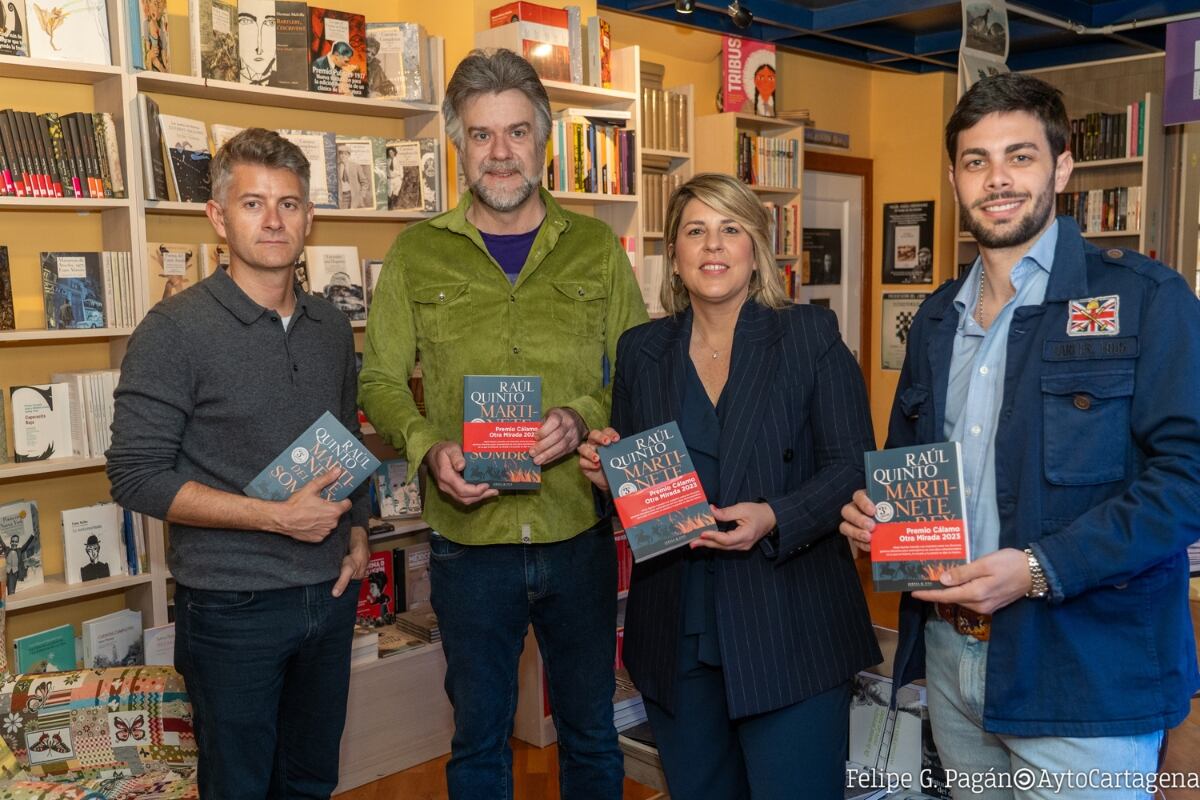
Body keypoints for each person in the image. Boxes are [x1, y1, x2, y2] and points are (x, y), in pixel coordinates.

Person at [839, 72, 1200, 799]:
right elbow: (912, 473)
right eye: (976, 160)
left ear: (1062, 167)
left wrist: (1038, 568)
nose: (996, 179)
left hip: (1084, 675)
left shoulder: (1145, 300)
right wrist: (879, 526)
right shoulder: (936, 319)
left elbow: (1187, 479)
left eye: (1020, 156)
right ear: (953, 177)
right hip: (950, 662)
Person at [358, 48, 648, 800]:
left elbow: (639, 375)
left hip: (577, 537)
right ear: (458, 145)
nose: (500, 152)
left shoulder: (596, 250)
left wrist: (580, 415)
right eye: (482, 135)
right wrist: (426, 449)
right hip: (469, 545)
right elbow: (381, 380)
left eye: (517, 132)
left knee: (589, 731)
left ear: (543, 140)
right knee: (479, 741)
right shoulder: (417, 255)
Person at [578, 173, 881, 799]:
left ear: (755, 248)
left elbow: (854, 467)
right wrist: (608, 472)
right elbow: (640, 483)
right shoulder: (641, 350)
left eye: (730, 229)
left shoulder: (808, 336)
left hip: (789, 626)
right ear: (676, 253)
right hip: (677, 630)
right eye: (696, 231)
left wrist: (774, 515)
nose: (712, 246)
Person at [107, 127, 370, 799]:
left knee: (311, 781)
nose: (274, 220)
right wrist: (275, 518)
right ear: (218, 218)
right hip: (231, 607)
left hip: (329, 595)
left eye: (289, 203)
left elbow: (347, 439)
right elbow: (134, 474)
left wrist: (360, 535)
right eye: (253, 204)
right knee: (237, 787)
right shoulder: (173, 331)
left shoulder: (332, 328)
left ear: (310, 218)